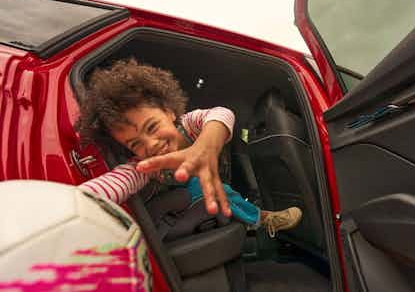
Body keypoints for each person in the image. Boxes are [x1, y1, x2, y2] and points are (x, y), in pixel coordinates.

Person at [75, 58, 302, 237]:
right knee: (214, 187)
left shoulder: (187, 124)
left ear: (169, 111)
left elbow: (222, 114)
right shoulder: (144, 165)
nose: (151, 144)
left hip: (199, 199)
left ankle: (261, 219)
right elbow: (115, 183)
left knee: (222, 187)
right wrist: (72, 201)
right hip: (178, 210)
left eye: (152, 127)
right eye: (136, 144)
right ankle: (262, 219)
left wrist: (207, 143)